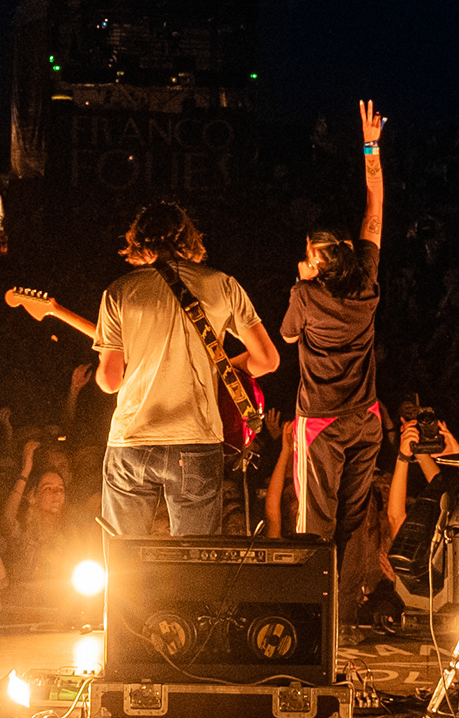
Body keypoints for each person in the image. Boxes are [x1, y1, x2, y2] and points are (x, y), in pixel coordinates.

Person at [15, 203, 282, 536]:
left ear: (137, 241)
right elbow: (267, 361)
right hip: (197, 440)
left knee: (125, 556)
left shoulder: (119, 291)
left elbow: (109, 382)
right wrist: (218, 368)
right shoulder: (223, 285)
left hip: (132, 442)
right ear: (189, 238)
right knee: (193, 557)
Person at [278, 101, 397, 632]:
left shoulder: (306, 295)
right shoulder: (367, 280)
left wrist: (300, 281)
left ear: (318, 261)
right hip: (365, 419)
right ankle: (343, 617)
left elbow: (286, 336)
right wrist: (371, 147)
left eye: (308, 254)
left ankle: (311, 622)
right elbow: (375, 209)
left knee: (314, 523)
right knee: (352, 522)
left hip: (322, 424)